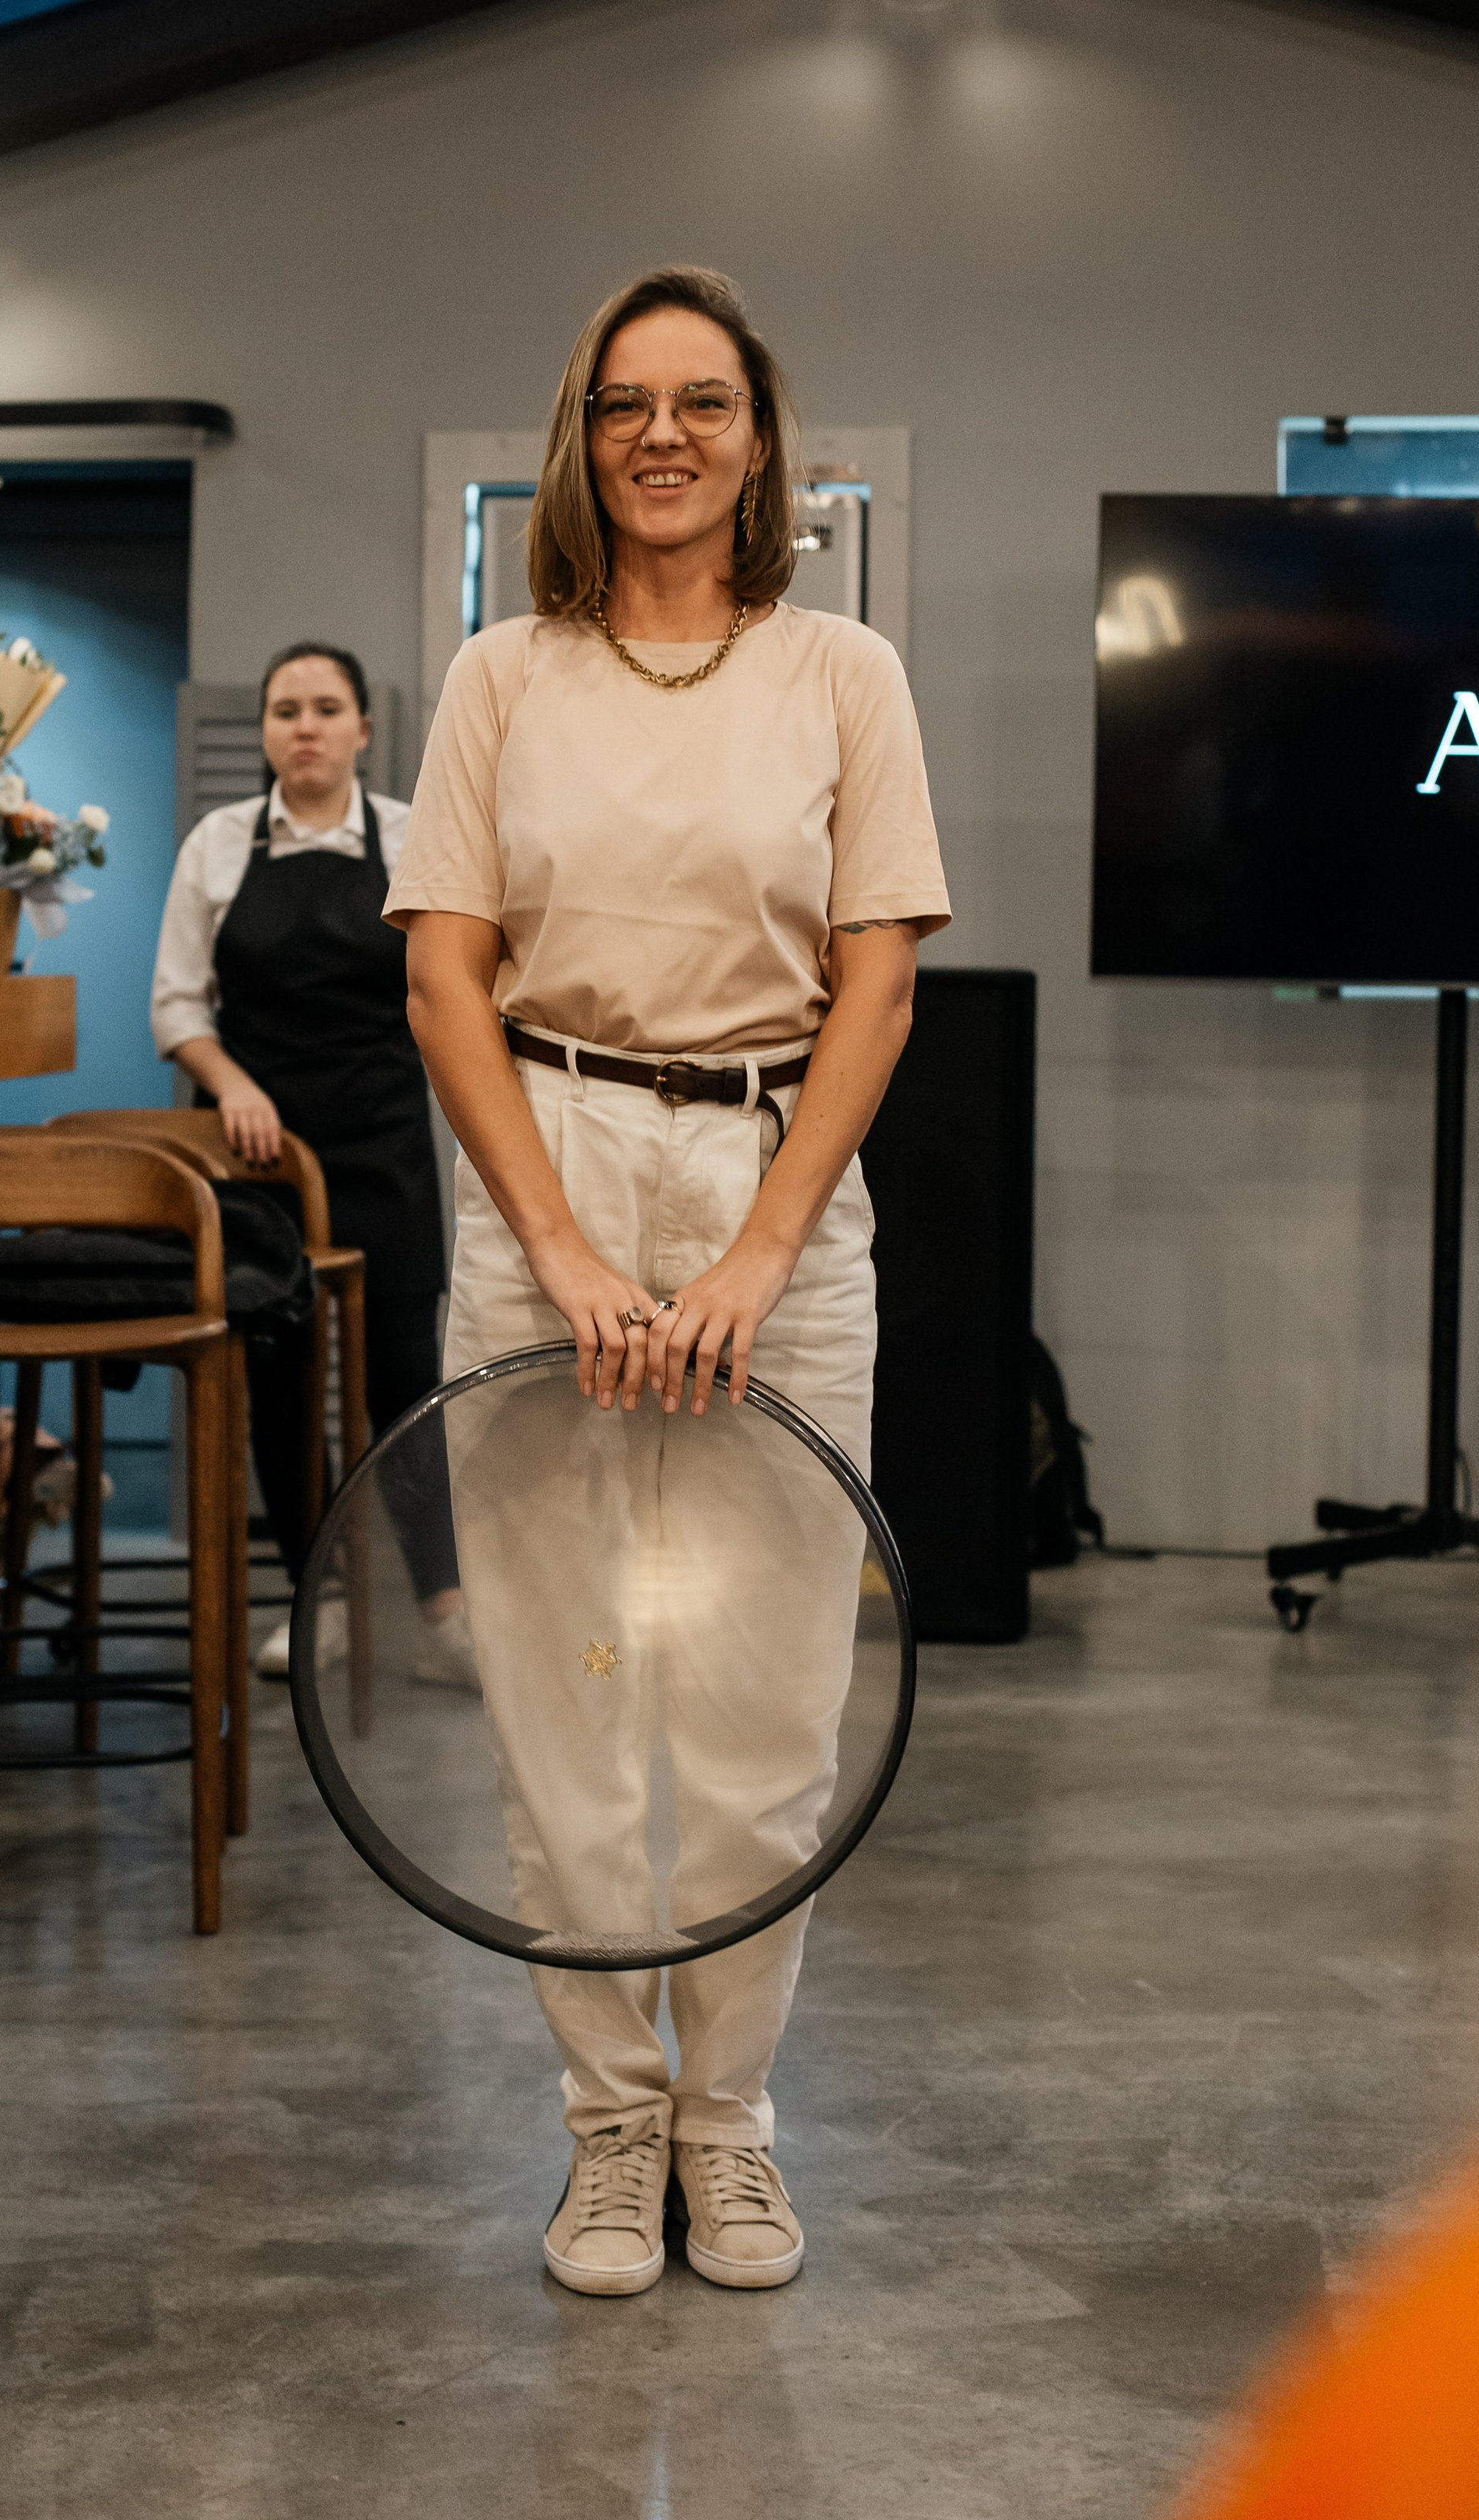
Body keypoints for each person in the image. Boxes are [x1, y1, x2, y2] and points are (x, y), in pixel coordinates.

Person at [386, 265, 947, 2295]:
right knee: (561, 1703)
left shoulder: (843, 673)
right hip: (542, 1163)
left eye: (704, 402)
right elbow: (447, 975)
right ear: (582, 435)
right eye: (628, 403)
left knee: (761, 1716)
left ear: (759, 440)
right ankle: (611, 2134)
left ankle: (735, 2123)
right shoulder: (500, 677)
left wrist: (758, 1247)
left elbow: (879, 979)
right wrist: (558, 1248)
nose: (665, 435)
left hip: (774, 1179)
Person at [152, 641, 472, 1686]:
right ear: (264, 731)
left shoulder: (415, 839)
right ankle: (316, 1598)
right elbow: (177, 1006)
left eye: (326, 707)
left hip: (383, 1140)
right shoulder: (216, 844)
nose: (305, 726)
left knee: (402, 1382)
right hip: (255, 1154)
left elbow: (454, 991)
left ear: (363, 729)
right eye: (285, 708)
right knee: (281, 1375)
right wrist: (230, 1083)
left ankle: (444, 1605)